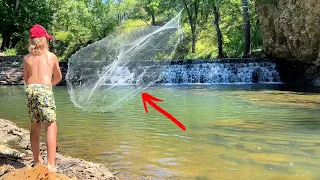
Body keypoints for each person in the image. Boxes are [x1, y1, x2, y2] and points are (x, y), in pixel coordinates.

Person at [23, 24, 62, 172]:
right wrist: (48, 86)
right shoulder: (51, 56)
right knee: (51, 125)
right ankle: (51, 164)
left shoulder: (26, 58)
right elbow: (58, 76)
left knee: (35, 125)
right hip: (44, 90)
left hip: (31, 90)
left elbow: (26, 80)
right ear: (45, 40)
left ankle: (37, 161)